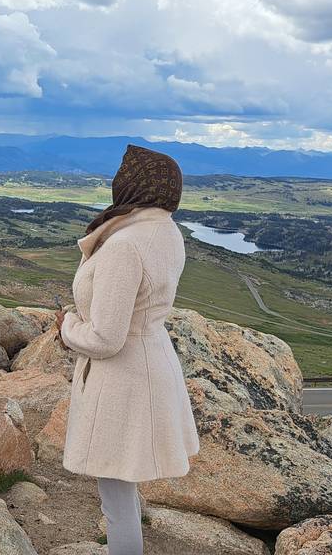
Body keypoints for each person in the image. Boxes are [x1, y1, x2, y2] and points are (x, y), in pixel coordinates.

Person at [55, 144, 200, 555]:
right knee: (123, 491)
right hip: (151, 364)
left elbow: (106, 338)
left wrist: (68, 325)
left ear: (134, 186)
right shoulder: (167, 231)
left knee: (116, 500)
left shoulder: (125, 244)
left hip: (124, 381)